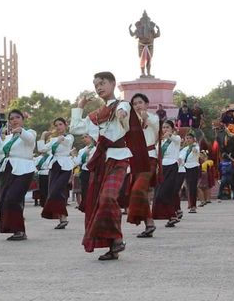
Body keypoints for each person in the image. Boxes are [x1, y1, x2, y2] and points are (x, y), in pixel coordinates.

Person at [69, 71, 149, 260]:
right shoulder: (95, 115)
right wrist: (79, 106)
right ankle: (114, 243)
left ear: (113, 84)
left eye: (103, 83)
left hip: (119, 158)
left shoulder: (122, 105)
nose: (99, 87)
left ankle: (116, 239)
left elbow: (124, 115)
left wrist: (122, 115)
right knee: (98, 203)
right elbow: (75, 128)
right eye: (96, 85)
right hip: (101, 161)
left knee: (107, 198)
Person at [0, 110, 36, 241]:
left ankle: (20, 230)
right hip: (9, 168)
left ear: (23, 119)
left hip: (24, 168)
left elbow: (30, 139)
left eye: (17, 117)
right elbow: (0, 150)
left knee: (13, 197)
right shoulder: (9, 137)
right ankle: (15, 229)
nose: (14, 120)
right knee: (5, 198)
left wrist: (20, 131)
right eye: (11, 118)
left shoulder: (30, 132)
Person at [127, 93, 159, 238]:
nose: (137, 105)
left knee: (138, 189)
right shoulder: (129, 121)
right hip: (135, 160)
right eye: (134, 103)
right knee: (140, 191)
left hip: (149, 158)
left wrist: (144, 117)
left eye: (140, 102)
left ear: (146, 104)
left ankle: (149, 221)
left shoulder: (153, 118)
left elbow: (155, 127)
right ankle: (149, 223)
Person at [39, 118, 75, 229]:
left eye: (60, 124)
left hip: (65, 166)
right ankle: (62, 218)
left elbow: (68, 142)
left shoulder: (69, 136)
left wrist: (60, 139)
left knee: (56, 191)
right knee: (53, 193)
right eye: (56, 125)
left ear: (65, 125)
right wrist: (43, 137)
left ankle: (62, 216)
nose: (58, 127)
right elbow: (42, 149)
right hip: (54, 166)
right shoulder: (53, 139)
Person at [151, 120, 182, 227]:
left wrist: (169, 135)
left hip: (172, 167)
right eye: (163, 127)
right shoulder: (161, 142)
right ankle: (172, 216)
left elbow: (173, 138)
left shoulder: (176, 139)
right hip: (162, 169)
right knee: (159, 194)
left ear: (172, 129)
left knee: (165, 193)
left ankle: (173, 215)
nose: (165, 129)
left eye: (167, 127)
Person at [72, 134, 96, 212]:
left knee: (93, 190)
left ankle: (93, 206)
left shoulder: (95, 149)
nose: (84, 139)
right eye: (82, 138)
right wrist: (74, 155)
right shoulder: (82, 150)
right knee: (84, 190)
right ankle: (86, 207)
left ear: (91, 138)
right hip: (84, 171)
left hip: (93, 171)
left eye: (86, 137)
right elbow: (78, 162)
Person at [180, 132, 201, 214]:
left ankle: (193, 206)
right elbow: (181, 157)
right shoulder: (185, 149)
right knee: (187, 186)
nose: (188, 140)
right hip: (186, 168)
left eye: (190, 138)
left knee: (193, 187)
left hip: (194, 167)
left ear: (193, 139)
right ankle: (190, 203)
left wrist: (195, 150)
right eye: (187, 138)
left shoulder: (196, 147)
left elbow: (197, 152)